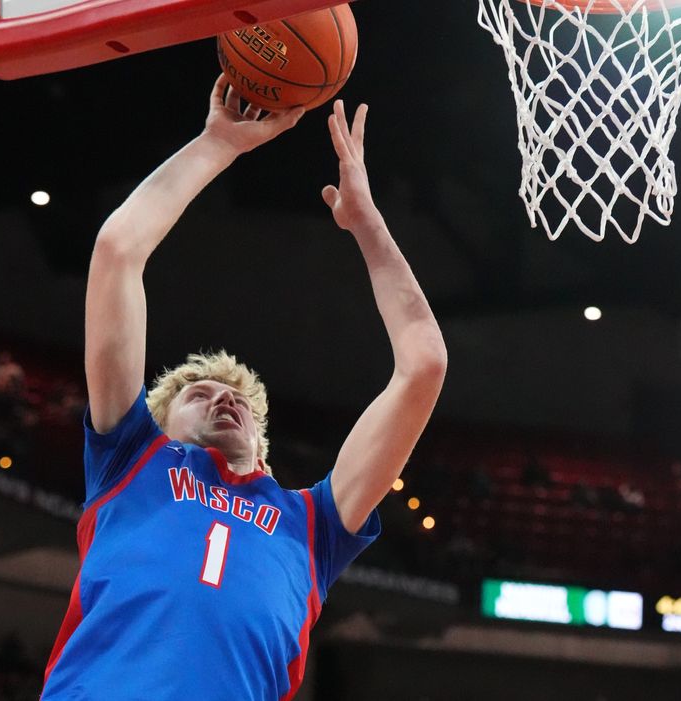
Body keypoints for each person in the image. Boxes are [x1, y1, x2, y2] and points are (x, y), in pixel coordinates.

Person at [40, 75, 447, 701]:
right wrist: (218, 143)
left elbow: (423, 364)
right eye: (198, 393)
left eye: (238, 401)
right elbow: (118, 249)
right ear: (158, 420)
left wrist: (367, 225)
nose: (224, 397)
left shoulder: (312, 526)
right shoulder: (130, 458)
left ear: (262, 441)